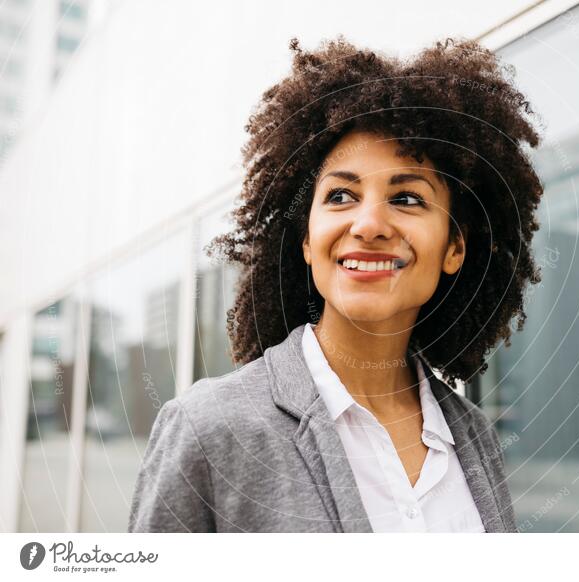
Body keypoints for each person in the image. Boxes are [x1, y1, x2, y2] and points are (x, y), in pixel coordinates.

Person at [128, 35, 544, 533]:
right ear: (307, 239)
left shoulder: (473, 436)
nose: (368, 225)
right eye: (342, 195)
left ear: (455, 247)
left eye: (408, 199)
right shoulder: (208, 429)